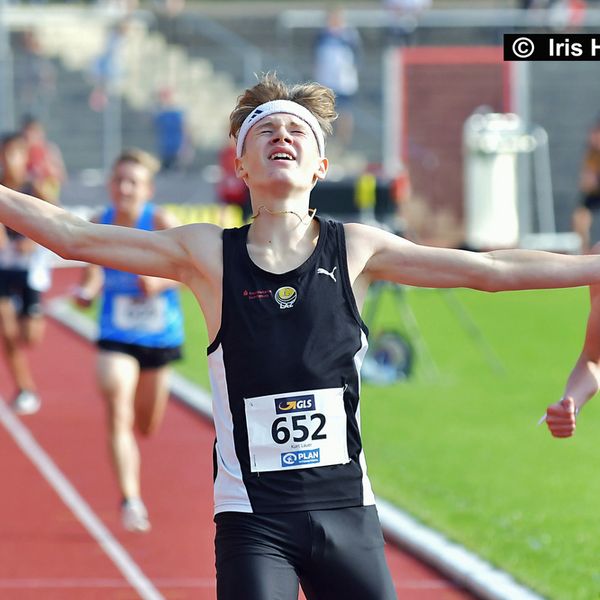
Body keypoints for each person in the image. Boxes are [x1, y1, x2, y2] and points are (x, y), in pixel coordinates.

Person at [4, 73, 600, 597]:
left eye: (298, 131)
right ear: (240, 165)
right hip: (253, 519)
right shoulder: (207, 253)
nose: (282, 137)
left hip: (347, 511)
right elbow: (74, 237)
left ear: (319, 164)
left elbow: (490, 272)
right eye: (265, 132)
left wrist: (591, 266)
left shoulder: (358, 248)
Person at [73, 148, 185, 532]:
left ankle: (131, 491)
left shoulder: (160, 221)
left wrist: (158, 284)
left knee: (147, 424)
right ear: (110, 184)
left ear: (147, 189)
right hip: (115, 335)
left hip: (159, 336)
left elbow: (190, 275)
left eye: (132, 182)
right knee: (117, 406)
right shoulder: (98, 222)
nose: (124, 188)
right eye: (119, 180)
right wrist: (86, 291)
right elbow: (91, 274)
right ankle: (130, 499)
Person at [0, 132, 55, 415]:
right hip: (2, 269)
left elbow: (56, 224)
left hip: (30, 271)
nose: (11, 160)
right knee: (6, 330)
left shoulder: (35, 190)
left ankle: (28, 315)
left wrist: (32, 242)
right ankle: (25, 388)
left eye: (17, 154)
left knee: (29, 337)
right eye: (6, 154)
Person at [313, 7, 361, 148]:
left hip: (343, 81)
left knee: (344, 112)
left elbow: (357, 57)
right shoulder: (322, 36)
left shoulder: (349, 35)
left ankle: (343, 142)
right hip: (326, 80)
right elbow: (315, 57)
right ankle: (326, 141)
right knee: (324, 111)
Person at [21, 115, 67, 204]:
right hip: (26, 197)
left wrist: (47, 170)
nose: (31, 135)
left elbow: (62, 177)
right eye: (28, 131)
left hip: (47, 197)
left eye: (34, 131)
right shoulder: (21, 151)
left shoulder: (49, 150)